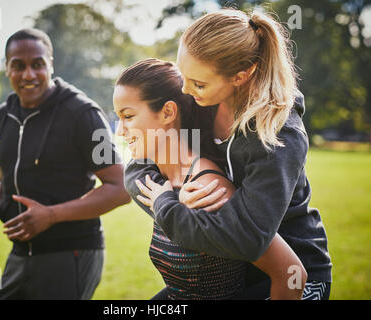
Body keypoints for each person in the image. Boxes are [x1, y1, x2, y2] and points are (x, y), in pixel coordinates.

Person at [128, 9, 332, 300]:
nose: (184, 90)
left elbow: (248, 239)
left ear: (241, 75)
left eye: (198, 83)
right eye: (183, 75)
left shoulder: (279, 135)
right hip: (225, 273)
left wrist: (169, 210)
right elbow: (138, 164)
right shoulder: (195, 98)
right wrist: (176, 194)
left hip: (291, 276)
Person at [115, 58, 307, 300]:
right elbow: (132, 173)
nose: (119, 131)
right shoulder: (160, 180)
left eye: (128, 116)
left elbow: (292, 274)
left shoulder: (208, 189)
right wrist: (170, 202)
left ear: (167, 112)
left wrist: (169, 207)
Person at [0, 28, 131, 300]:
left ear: (51, 65)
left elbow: (120, 187)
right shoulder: (2, 116)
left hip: (71, 252)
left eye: (38, 64)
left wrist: (51, 215)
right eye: (18, 65)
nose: (28, 74)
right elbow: (8, 180)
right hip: (20, 252)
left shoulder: (84, 114)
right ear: (6, 68)